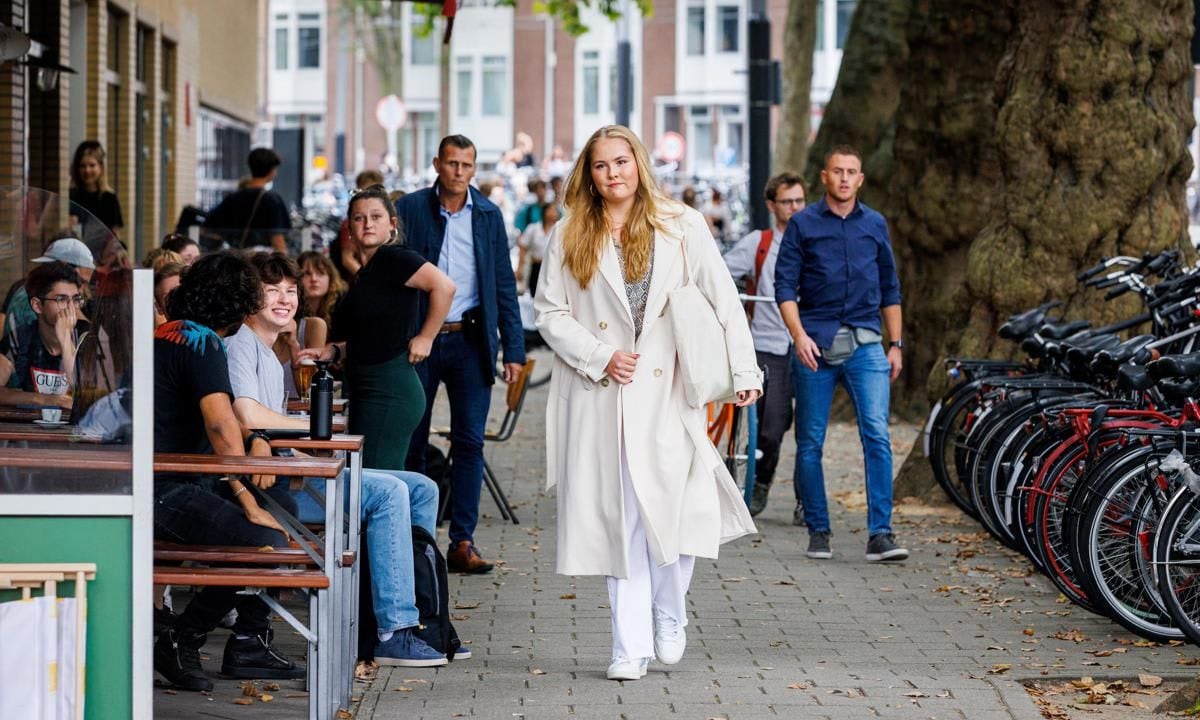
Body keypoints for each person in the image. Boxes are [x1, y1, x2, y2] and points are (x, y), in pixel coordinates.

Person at [534, 125, 761, 681]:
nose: (613, 173)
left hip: (670, 391)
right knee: (621, 519)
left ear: (638, 164)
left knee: (680, 513)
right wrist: (599, 353)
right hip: (604, 395)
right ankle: (627, 646)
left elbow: (722, 299)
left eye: (622, 161)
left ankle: (669, 611)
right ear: (588, 174)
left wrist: (743, 369)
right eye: (601, 165)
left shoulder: (681, 223)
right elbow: (549, 313)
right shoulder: (569, 233)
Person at [226, 252, 454, 667]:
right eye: (271, 290)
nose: (284, 299)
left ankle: (425, 617)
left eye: (290, 291)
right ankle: (392, 629)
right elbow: (246, 415)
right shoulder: (240, 344)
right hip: (268, 487)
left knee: (422, 486)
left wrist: (303, 443)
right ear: (248, 297)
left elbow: (268, 432)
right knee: (387, 493)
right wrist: (314, 432)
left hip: (284, 470)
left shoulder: (270, 351)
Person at [152, 252, 304, 691]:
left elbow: (224, 425)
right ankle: (181, 634)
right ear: (234, 304)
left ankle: (177, 635)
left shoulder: (169, 333)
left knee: (277, 520)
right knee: (267, 543)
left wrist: (254, 439)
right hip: (166, 489)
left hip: (164, 480)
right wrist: (246, 499)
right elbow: (221, 428)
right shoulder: (204, 343)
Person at [397, 135, 526, 575]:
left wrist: (514, 348)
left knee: (469, 441)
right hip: (421, 340)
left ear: (474, 169)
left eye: (466, 165)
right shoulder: (411, 208)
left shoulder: (489, 215)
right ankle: (417, 540)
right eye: (451, 163)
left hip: (471, 340)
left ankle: (462, 541)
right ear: (437, 164)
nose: (458, 172)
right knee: (412, 439)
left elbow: (504, 284)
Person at [774, 145, 908, 563]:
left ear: (860, 179)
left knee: (877, 435)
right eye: (838, 171)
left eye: (852, 171)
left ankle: (880, 534)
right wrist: (798, 336)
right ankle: (818, 530)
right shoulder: (804, 224)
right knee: (810, 440)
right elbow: (784, 287)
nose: (845, 178)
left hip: (867, 343)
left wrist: (896, 344)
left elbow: (890, 288)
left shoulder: (875, 224)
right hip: (815, 341)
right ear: (825, 177)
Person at [304, 185, 455, 484]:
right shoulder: (368, 270)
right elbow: (371, 333)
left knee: (377, 484)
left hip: (390, 390)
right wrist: (334, 352)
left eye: (376, 216)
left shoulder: (393, 258)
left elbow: (444, 287)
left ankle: (399, 532)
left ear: (392, 224)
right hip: (369, 387)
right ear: (349, 227)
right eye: (359, 218)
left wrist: (426, 336)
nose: (368, 224)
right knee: (371, 482)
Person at [723, 172, 807, 517]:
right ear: (772, 206)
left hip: (811, 345)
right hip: (768, 344)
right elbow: (721, 274)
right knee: (771, 427)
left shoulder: (816, 238)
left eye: (800, 201)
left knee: (809, 431)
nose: (795, 208)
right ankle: (759, 482)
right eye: (787, 202)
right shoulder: (760, 243)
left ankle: (807, 502)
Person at [0, 262, 87, 410]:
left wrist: (65, 338)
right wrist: (48, 400)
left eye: (76, 299)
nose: (71, 308)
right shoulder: (20, 338)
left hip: (76, 430)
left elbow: (85, 393)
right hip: (32, 430)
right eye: (61, 299)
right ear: (37, 305)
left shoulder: (86, 337)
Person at [1, 237, 96, 338]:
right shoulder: (36, 298)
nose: (81, 289)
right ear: (62, 269)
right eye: (81, 281)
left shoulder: (32, 289)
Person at [203, 148, 291, 252]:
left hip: (238, 259)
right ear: (271, 171)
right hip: (262, 260)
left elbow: (207, 228)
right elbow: (277, 239)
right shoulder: (272, 200)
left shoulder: (233, 198)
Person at [68, 140, 124, 259]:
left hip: (100, 260)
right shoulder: (70, 196)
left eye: (92, 165)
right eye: (83, 166)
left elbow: (115, 235)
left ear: (101, 167)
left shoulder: (109, 198)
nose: (87, 170)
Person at [332, 169, 386, 282]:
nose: (371, 196)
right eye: (367, 191)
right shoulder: (352, 222)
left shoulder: (384, 219)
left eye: (376, 191)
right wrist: (369, 280)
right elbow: (347, 259)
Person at [297, 250, 346, 331]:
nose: (314, 279)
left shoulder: (343, 305)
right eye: (306, 274)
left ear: (330, 278)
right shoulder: (290, 308)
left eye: (320, 273)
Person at [517, 201, 557, 297]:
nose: (554, 213)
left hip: (552, 268)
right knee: (534, 295)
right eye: (550, 210)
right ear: (544, 212)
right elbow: (523, 247)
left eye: (555, 210)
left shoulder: (558, 230)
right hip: (535, 267)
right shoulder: (533, 228)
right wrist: (519, 268)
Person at [153, 262, 184, 329]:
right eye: (168, 297)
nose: (178, 300)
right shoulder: (155, 338)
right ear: (159, 307)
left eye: (183, 292)